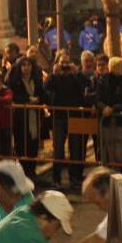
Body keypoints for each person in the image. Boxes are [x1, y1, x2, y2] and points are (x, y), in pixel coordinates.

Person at [45, 54, 88, 188]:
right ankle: (56, 178)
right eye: (62, 63)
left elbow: (86, 84)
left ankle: (74, 178)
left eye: (67, 63)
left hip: (74, 116)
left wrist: (77, 73)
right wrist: (53, 74)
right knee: (58, 150)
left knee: (75, 149)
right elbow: (45, 89)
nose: (65, 66)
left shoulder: (75, 76)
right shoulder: (54, 77)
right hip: (59, 117)